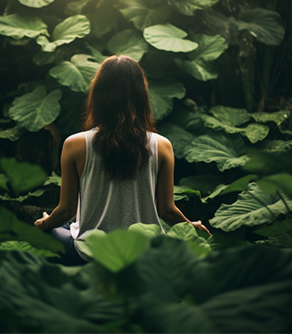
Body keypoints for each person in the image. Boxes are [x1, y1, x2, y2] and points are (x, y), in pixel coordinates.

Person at [34, 55, 210, 266]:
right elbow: (167, 211)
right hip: (144, 256)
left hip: (91, 255)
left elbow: (66, 211)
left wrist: (45, 222)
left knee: (53, 230)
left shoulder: (75, 144)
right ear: (142, 97)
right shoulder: (162, 146)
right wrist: (191, 225)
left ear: (98, 95)